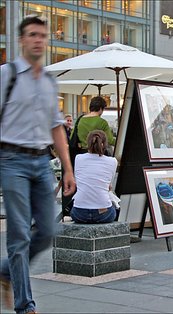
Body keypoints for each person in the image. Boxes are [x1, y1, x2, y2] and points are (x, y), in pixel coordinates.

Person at [0, 15, 75, 313]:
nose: (38, 40)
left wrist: (68, 169)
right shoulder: (6, 75)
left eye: (42, 35)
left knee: (47, 230)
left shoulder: (47, 81)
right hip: (11, 160)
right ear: (21, 40)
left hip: (42, 162)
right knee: (19, 234)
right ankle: (25, 306)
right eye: (32, 35)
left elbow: (56, 127)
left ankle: (5, 271)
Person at [71, 130, 117, 223]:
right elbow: (108, 186)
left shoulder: (78, 158)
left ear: (87, 143)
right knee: (114, 209)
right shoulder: (112, 161)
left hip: (79, 212)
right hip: (103, 213)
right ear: (104, 144)